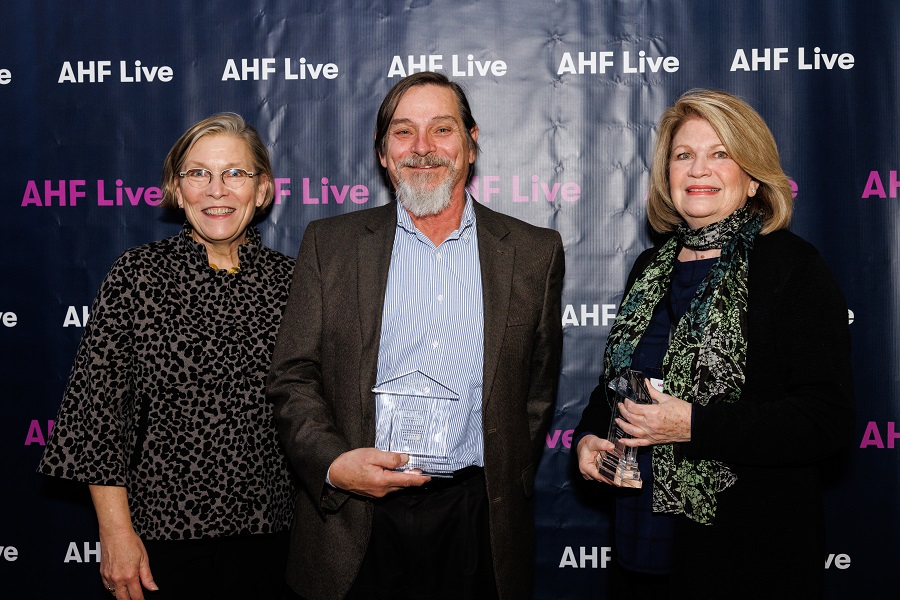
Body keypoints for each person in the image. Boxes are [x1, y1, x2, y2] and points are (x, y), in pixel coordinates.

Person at [267, 71, 564, 600]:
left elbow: (535, 392)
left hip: (477, 520)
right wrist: (333, 464)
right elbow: (292, 376)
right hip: (355, 518)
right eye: (403, 132)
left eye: (442, 129)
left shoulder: (533, 252)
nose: (422, 148)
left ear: (471, 144)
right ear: (383, 152)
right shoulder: (330, 245)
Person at [575, 89, 854, 597]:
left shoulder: (792, 268)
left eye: (720, 154)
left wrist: (694, 426)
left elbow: (825, 420)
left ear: (753, 178)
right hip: (641, 543)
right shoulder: (650, 269)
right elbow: (618, 386)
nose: (698, 169)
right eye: (684, 155)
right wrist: (590, 437)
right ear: (667, 175)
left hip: (748, 555)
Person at [38, 113, 296, 600]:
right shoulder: (138, 276)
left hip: (275, 539)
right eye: (198, 173)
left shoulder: (294, 281)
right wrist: (116, 533)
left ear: (262, 189)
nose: (216, 190)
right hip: (163, 543)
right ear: (177, 191)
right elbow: (99, 417)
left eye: (235, 173)